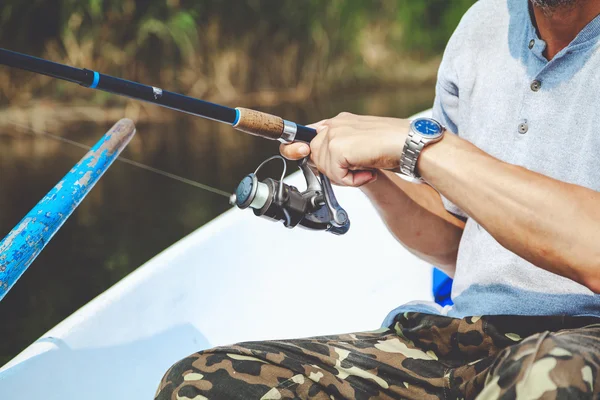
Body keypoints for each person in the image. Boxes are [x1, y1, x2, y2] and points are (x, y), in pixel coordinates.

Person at [155, 0, 600, 398]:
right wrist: (373, 176)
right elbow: (457, 246)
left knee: (551, 378)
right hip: (461, 341)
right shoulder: (480, 26)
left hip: (580, 347)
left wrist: (422, 148)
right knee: (201, 383)